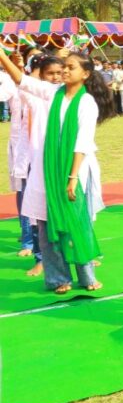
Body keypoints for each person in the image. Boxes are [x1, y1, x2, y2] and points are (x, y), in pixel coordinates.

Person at [0, 49, 116, 293]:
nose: (65, 70)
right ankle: (58, 279)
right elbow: (22, 80)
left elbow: (82, 142)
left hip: (72, 173)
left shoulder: (86, 102)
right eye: (64, 66)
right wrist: (2, 55)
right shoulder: (52, 93)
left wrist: (72, 178)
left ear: (85, 74)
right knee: (45, 224)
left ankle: (86, 276)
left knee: (75, 222)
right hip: (45, 172)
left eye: (71, 67)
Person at [4, 53, 64, 277]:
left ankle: (75, 254)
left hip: (59, 161)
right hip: (33, 159)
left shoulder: (64, 95)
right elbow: (21, 83)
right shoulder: (32, 94)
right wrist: (20, 64)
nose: (56, 77)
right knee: (37, 212)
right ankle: (40, 258)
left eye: (59, 73)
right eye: (50, 73)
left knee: (64, 210)